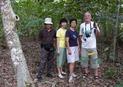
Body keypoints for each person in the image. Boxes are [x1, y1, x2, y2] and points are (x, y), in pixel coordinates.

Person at [79, 12, 100, 79]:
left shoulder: (94, 24)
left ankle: (96, 74)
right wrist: (82, 40)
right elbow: (80, 34)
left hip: (92, 47)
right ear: (84, 17)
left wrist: (96, 28)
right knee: (84, 60)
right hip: (84, 47)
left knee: (94, 60)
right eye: (85, 16)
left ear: (91, 17)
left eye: (88, 16)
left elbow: (98, 35)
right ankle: (86, 72)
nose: (87, 17)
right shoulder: (82, 25)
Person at [66, 18, 80, 83]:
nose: (74, 24)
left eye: (75, 23)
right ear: (70, 23)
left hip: (76, 47)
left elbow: (77, 40)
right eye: (72, 22)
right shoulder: (68, 31)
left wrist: (79, 47)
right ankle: (70, 76)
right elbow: (67, 41)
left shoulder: (76, 31)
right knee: (71, 62)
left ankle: (72, 73)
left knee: (74, 61)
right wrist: (68, 49)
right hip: (70, 48)